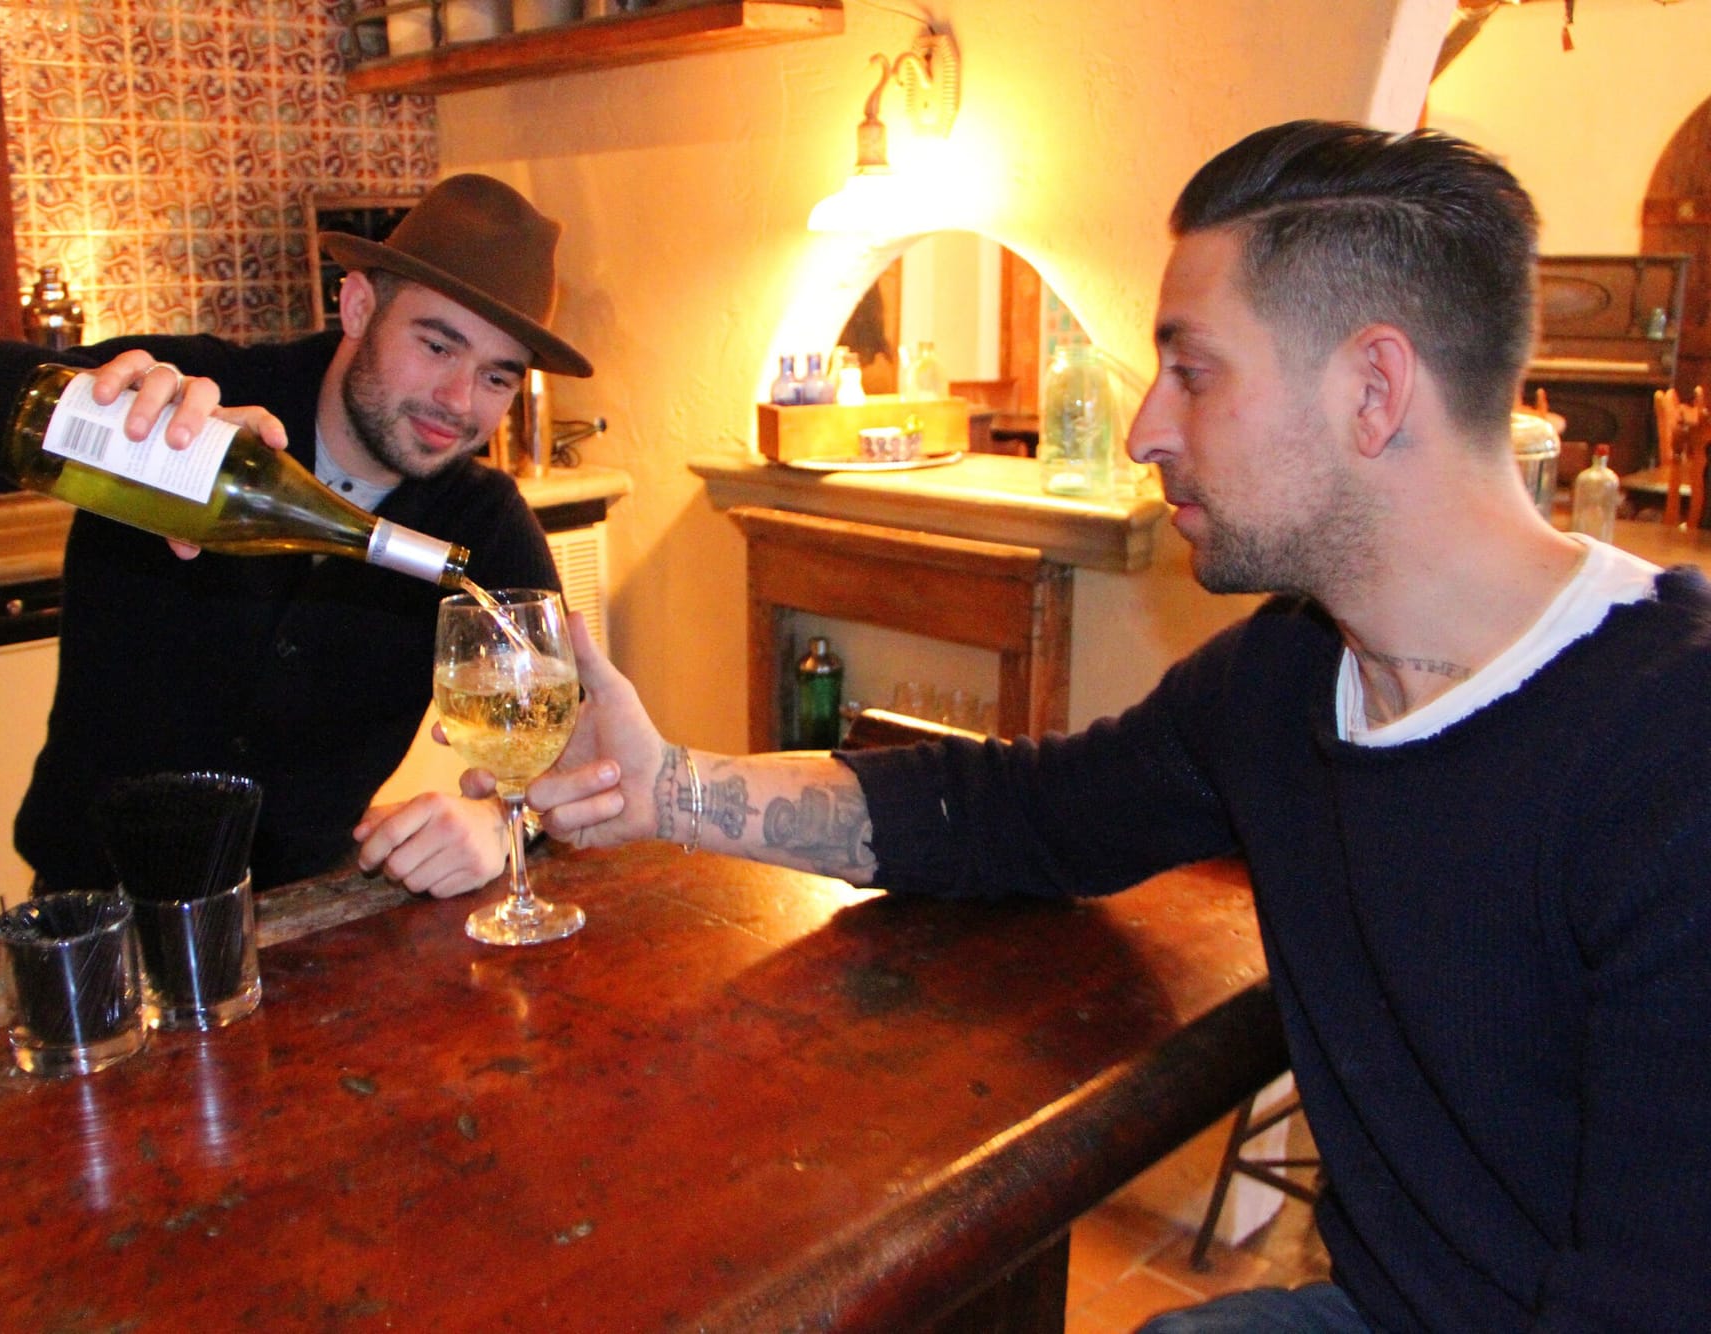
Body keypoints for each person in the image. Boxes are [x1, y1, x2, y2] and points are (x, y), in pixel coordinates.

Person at [512, 122, 1711, 1330]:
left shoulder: (1670, 757)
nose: (1143, 427)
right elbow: (1017, 814)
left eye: (1191, 370)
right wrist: (665, 787)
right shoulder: (1282, 679)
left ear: (1371, 389)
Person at [0, 173, 592, 900]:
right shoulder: (198, 402)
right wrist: (107, 412)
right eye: (436, 346)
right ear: (359, 305)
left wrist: (502, 823)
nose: (458, 402)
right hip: (93, 910)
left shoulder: (479, 523)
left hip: (301, 924)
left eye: (497, 378)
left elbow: (573, 745)